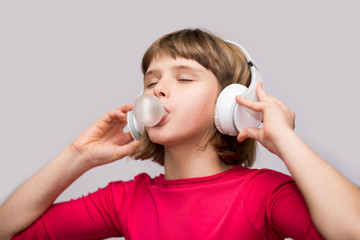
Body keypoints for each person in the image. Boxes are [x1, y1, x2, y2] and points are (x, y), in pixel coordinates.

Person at [0, 28, 359, 240]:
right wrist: (77, 155)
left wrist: (287, 141)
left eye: (184, 78)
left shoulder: (262, 194)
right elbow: (8, 231)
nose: (157, 90)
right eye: (151, 82)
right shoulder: (125, 199)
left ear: (230, 102)